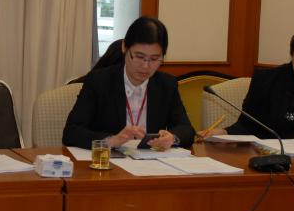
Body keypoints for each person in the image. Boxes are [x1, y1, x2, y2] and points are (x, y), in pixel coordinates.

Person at [201, 11, 294, 140]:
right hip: (275, 159)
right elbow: (248, 125)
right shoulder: (265, 81)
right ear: (293, 50)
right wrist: (224, 133)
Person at [62, 16, 195, 149]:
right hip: (110, 159)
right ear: (124, 47)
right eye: (139, 57)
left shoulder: (167, 84)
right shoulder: (99, 81)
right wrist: (111, 141)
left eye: (154, 59)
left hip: (151, 159)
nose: (145, 66)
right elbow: (71, 132)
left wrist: (172, 138)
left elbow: (187, 130)